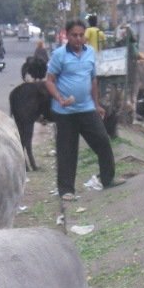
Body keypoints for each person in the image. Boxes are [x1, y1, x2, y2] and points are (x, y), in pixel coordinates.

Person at [44, 19, 118, 200]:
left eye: (80, 35)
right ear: (67, 36)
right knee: (67, 151)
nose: (78, 39)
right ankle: (66, 190)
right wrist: (59, 98)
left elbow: (93, 80)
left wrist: (96, 104)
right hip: (65, 113)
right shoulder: (59, 55)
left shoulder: (90, 53)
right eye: (74, 35)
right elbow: (49, 81)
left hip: (86, 109)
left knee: (102, 142)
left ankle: (107, 179)